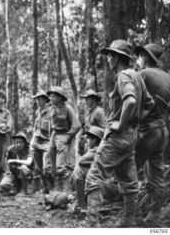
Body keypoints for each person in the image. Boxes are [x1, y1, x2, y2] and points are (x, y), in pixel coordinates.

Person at [83, 39, 154, 227]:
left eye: (110, 55)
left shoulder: (123, 76)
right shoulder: (137, 76)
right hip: (131, 137)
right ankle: (129, 219)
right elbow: (150, 105)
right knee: (129, 181)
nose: (108, 59)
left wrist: (120, 124)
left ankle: (91, 223)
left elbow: (130, 101)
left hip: (117, 136)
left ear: (118, 58)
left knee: (94, 176)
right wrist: (135, 121)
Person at [134, 43, 170, 227]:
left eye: (140, 57)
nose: (137, 60)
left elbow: (131, 101)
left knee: (129, 169)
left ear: (146, 58)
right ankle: (155, 215)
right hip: (162, 131)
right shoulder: (168, 77)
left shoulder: (143, 74)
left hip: (147, 131)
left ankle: (130, 214)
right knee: (157, 175)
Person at [47, 86, 81, 192]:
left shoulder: (68, 109)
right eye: (51, 96)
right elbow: (51, 125)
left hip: (64, 136)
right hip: (54, 136)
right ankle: (57, 190)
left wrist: (68, 136)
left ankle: (66, 191)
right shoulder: (52, 108)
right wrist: (51, 138)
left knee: (61, 166)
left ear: (60, 98)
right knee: (51, 166)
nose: (51, 98)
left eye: (53, 96)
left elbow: (77, 125)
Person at [73, 126, 104, 212]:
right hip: (104, 182)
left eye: (89, 139)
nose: (86, 141)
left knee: (78, 170)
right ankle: (81, 201)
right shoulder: (101, 149)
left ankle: (82, 205)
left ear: (94, 140)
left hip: (105, 185)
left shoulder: (96, 150)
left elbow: (81, 161)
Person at [29, 90, 53, 193]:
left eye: (39, 99)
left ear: (44, 100)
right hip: (37, 142)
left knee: (46, 168)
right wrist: (32, 141)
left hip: (47, 142)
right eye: (36, 99)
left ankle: (52, 187)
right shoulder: (37, 112)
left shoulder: (51, 112)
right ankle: (45, 189)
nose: (37, 101)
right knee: (38, 168)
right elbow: (35, 127)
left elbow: (53, 130)